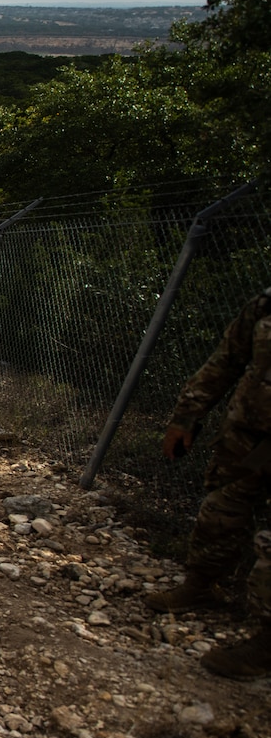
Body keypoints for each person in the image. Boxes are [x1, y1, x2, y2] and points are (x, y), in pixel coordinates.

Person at [149, 287, 271, 678]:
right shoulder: (267, 302)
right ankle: (201, 584)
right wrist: (188, 413)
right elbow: (227, 360)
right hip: (247, 436)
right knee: (221, 510)